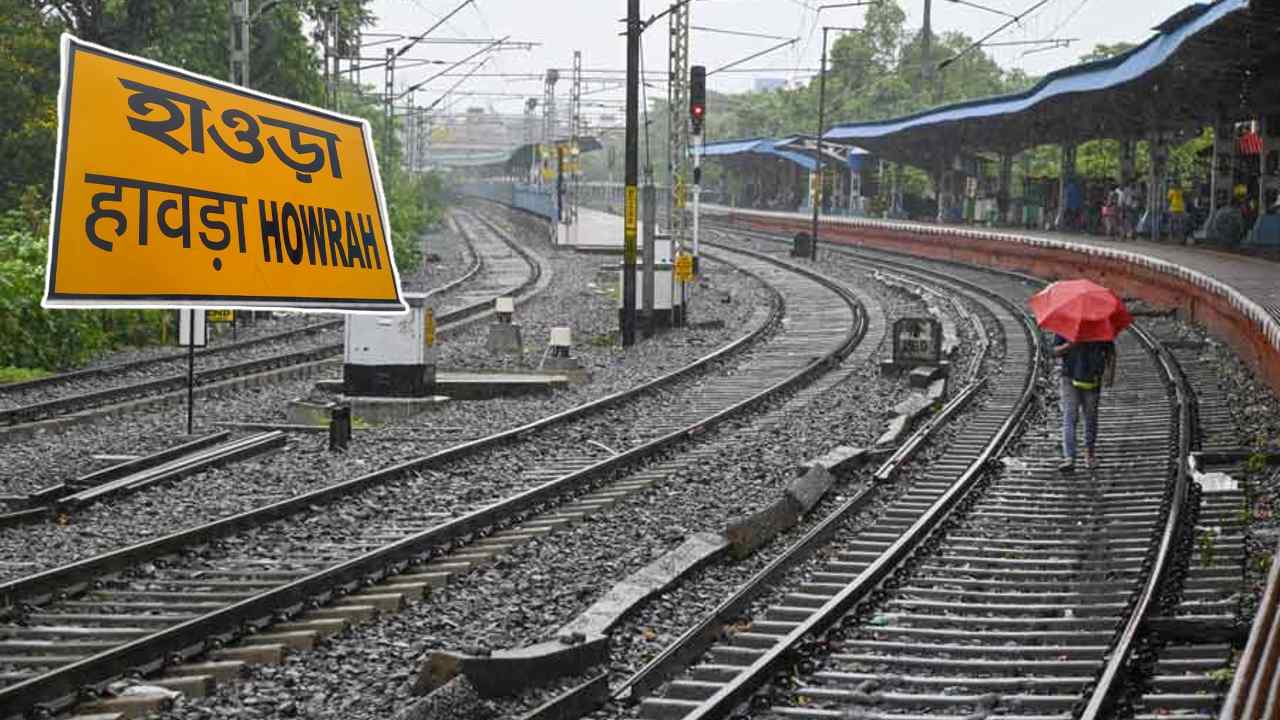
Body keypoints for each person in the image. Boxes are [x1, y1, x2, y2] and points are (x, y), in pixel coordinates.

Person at [1055, 335, 1116, 472]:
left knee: (1091, 417)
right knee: (1070, 416)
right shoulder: (1067, 324)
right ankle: (1069, 457)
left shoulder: (1100, 326)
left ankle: (1089, 454)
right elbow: (1055, 351)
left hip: (1093, 378)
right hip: (1069, 377)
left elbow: (1110, 352)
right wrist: (1069, 345)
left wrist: (1110, 373)